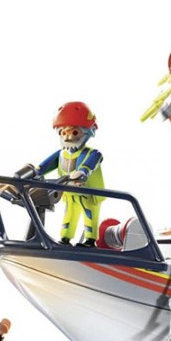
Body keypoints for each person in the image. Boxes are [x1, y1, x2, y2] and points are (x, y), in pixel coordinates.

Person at [35, 101, 105, 246]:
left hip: (89, 194)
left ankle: (90, 241)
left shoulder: (93, 153)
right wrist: (35, 171)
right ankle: (65, 239)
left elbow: (89, 165)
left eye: (74, 132)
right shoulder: (61, 154)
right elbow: (45, 165)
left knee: (89, 215)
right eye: (63, 133)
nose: (68, 138)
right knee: (69, 215)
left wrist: (82, 172)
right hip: (69, 193)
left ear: (88, 131)